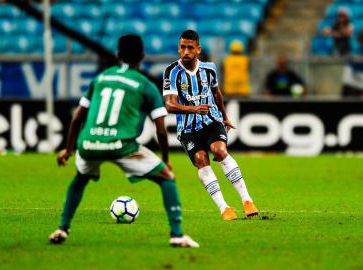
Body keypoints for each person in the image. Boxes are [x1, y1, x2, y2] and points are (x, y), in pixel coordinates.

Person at [48, 34, 199, 248]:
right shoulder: (146, 85)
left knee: (80, 179)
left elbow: (77, 117)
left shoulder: (101, 78)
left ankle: (63, 228)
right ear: (142, 57)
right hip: (122, 145)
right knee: (167, 178)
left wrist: (69, 149)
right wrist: (165, 159)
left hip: (89, 144)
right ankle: (177, 235)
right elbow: (161, 130)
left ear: (118, 55)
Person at [163, 30, 259, 221]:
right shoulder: (172, 72)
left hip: (211, 120)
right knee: (201, 161)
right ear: (178, 48)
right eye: (183, 47)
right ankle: (225, 208)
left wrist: (224, 116)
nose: (186, 51)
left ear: (198, 49)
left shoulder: (210, 69)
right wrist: (194, 109)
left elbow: (217, 93)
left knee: (220, 151)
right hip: (188, 129)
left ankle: (247, 201)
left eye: (190, 47)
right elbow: (169, 104)